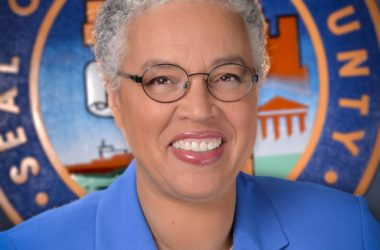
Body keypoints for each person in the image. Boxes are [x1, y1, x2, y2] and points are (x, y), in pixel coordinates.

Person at [0, 0, 379, 249]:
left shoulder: (349, 232)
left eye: (228, 76)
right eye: (161, 79)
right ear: (115, 100)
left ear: (256, 90)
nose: (199, 109)